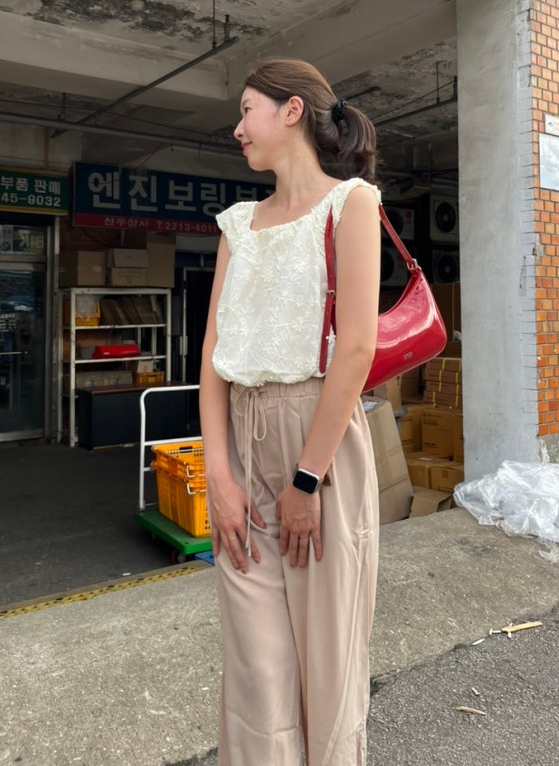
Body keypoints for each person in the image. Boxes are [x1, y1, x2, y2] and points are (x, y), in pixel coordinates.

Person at [199, 58, 382, 766]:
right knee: (257, 669)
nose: (237, 127)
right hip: (242, 440)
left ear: (292, 110)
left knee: (327, 665)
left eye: (247, 109)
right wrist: (218, 474)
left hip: (320, 442)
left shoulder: (351, 203)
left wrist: (307, 479)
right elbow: (213, 353)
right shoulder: (237, 224)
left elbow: (356, 348)